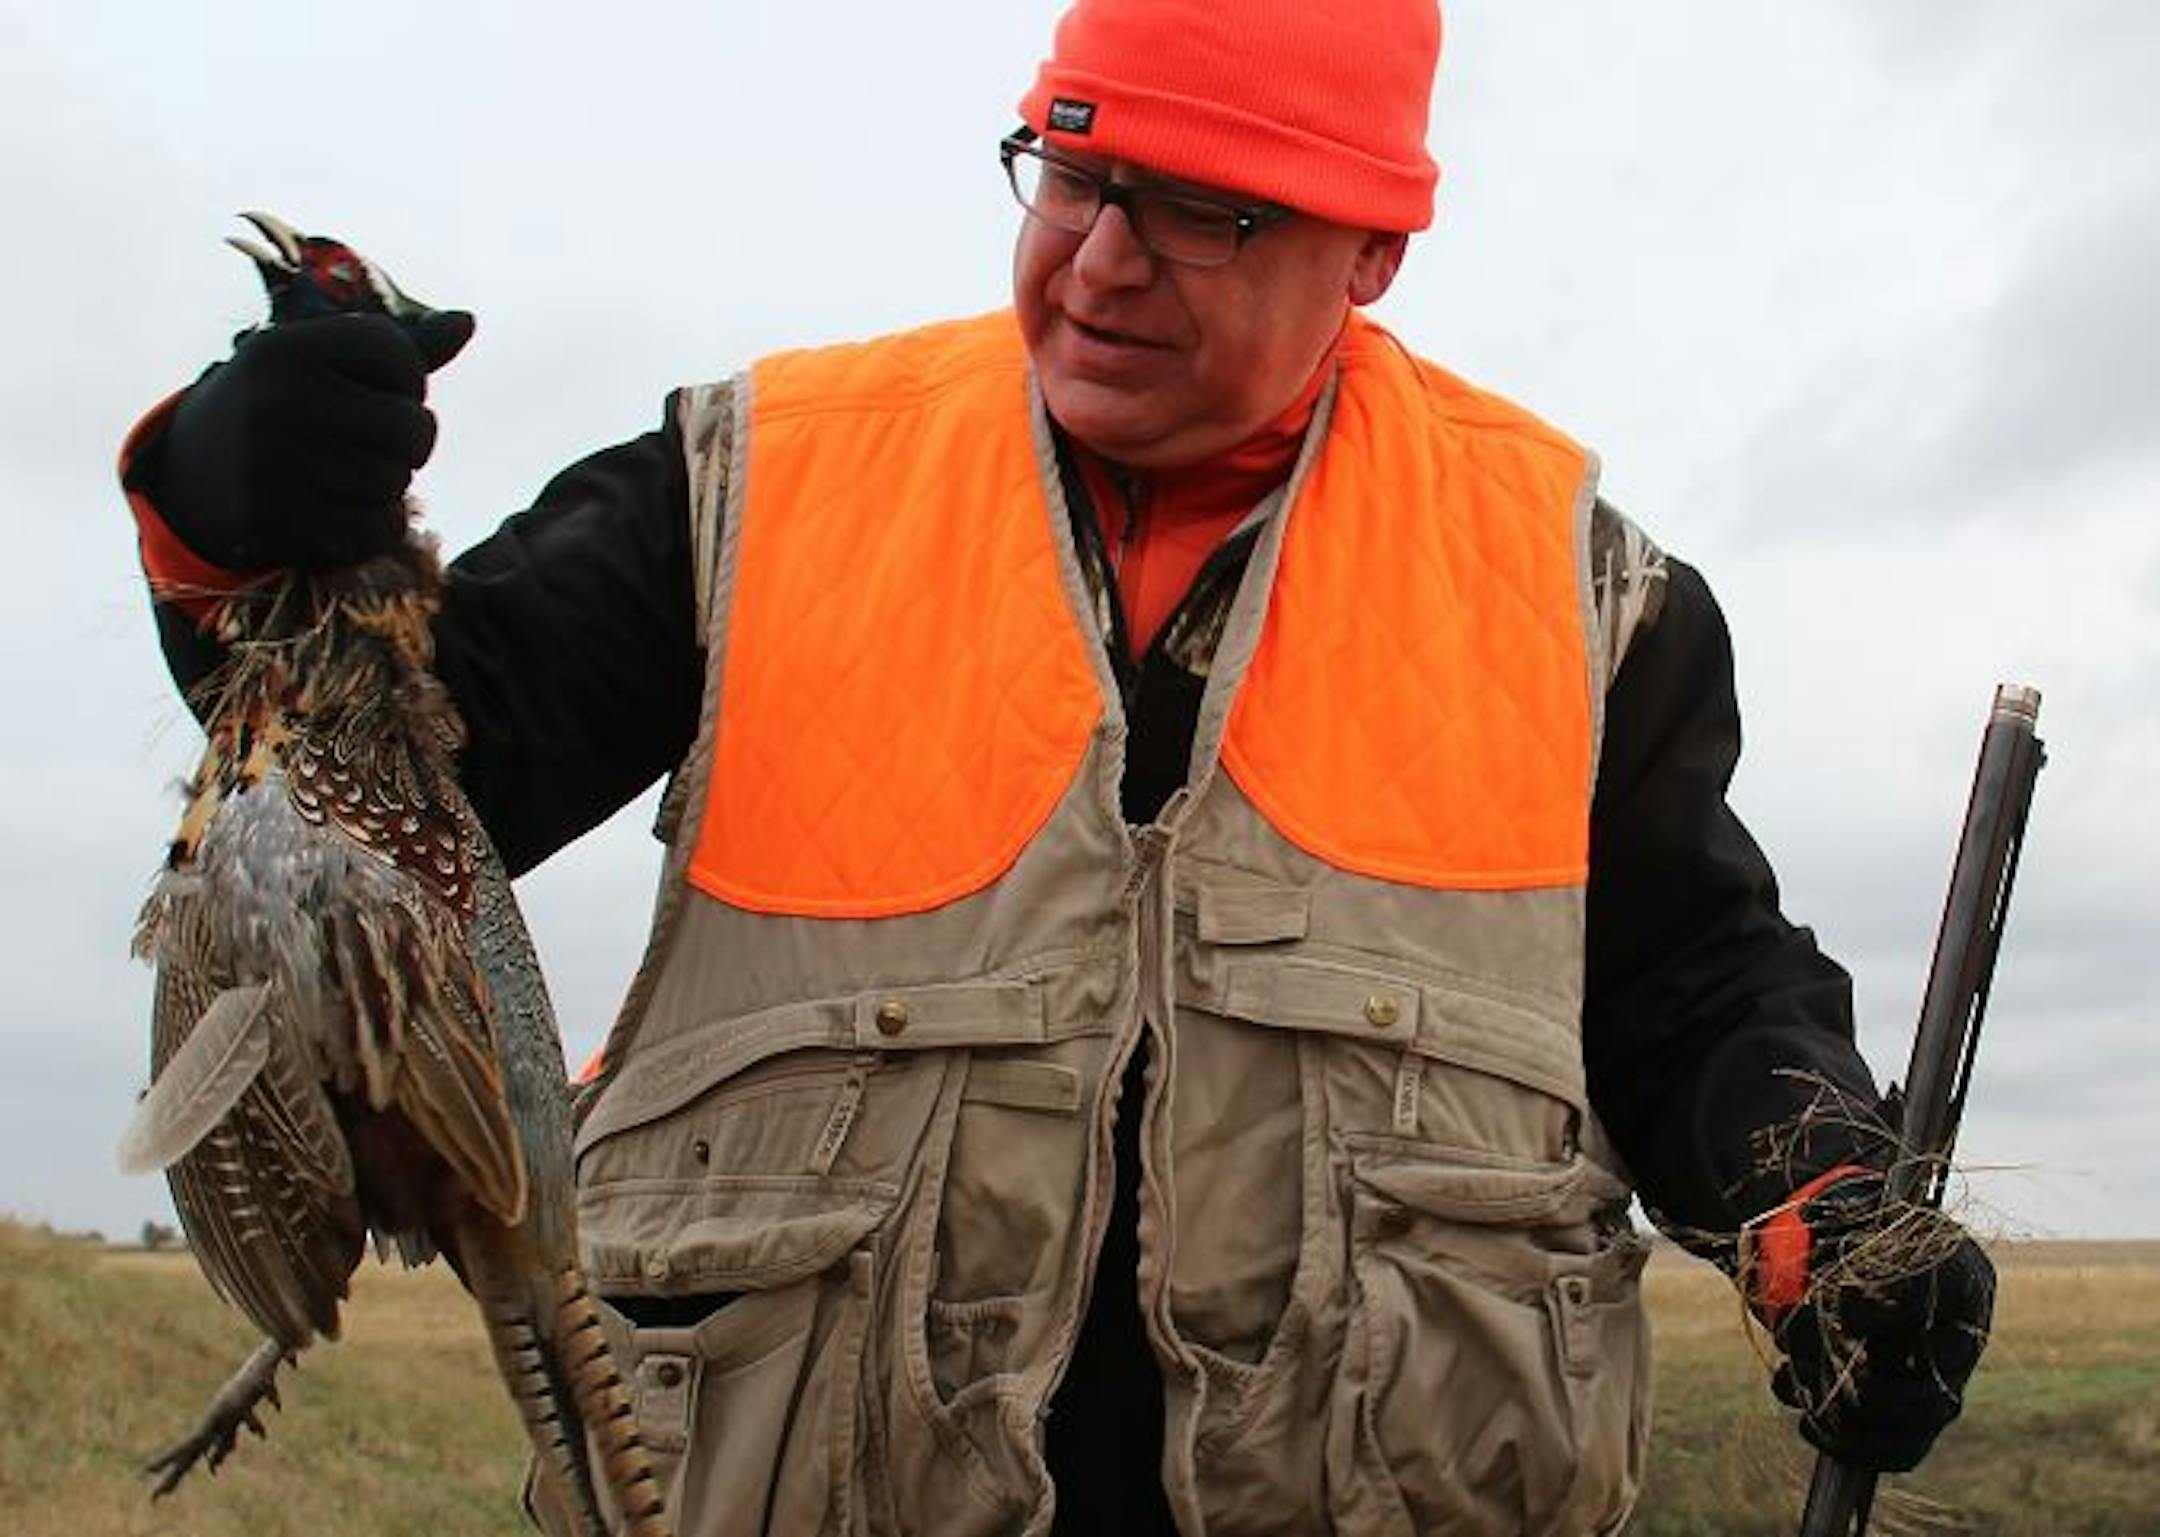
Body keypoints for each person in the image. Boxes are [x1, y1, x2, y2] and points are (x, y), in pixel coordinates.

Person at [119, 2, 1995, 1533]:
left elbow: (1694, 989)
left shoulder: (1579, 590)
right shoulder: (752, 487)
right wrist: (233, 512)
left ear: (1375, 249)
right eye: (1072, 170)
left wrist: (1822, 1202)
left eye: (1204, 210)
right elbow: (387, 774)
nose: (1101, 261)